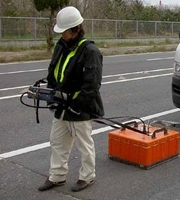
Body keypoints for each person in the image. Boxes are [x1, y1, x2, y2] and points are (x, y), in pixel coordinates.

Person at [38, 6, 104, 192]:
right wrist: (51, 94)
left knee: (84, 145)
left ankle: (87, 176)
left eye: (64, 31)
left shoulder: (90, 51)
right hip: (61, 104)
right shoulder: (61, 46)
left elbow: (92, 85)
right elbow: (53, 72)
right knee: (57, 142)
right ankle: (57, 177)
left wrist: (77, 105)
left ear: (75, 29)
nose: (62, 35)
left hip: (80, 107)